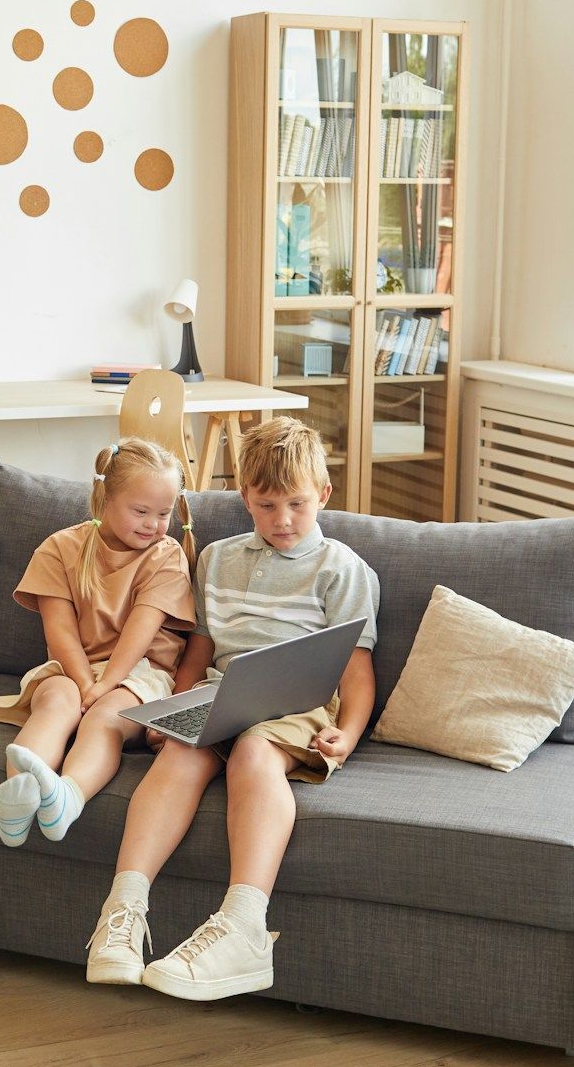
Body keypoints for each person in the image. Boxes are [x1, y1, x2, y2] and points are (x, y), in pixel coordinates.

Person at [84, 416, 379, 999]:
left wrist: (347, 732)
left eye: (296, 504)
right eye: (267, 506)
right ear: (245, 498)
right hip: (221, 692)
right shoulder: (216, 558)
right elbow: (201, 648)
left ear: (323, 494)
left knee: (253, 750)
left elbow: (357, 671)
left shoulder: (342, 569)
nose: (283, 521)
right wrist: (174, 709)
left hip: (299, 704)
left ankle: (243, 928)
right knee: (181, 759)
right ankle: (122, 913)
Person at [0, 438, 196, 847]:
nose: (153, 524)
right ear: (105, 498)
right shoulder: (61, 548)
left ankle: (69, 796)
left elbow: (141, 630)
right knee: (54, 703)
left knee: (105, 719)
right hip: (72, 667)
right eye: (141, 511)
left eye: (164, 513)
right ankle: (17, 799)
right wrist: (83, 682)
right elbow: (59, 631)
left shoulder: (165, 555)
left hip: (139, 674)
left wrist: (104, 686)